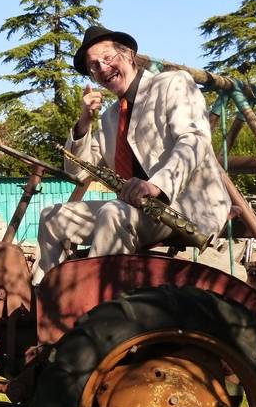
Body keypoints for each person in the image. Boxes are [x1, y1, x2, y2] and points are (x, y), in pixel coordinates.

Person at [35, 26, 231, 282]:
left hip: (183, 207)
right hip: (134, 210)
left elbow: (194, 140)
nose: (101, 69)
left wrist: (156, 186)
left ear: (128, 54)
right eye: (93, 66)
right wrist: (84, 122)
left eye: (107, 58)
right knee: (52, 216)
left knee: (113, 213)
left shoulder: (173, 83)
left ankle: (92, 309)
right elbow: (77, 171)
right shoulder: (108, 119)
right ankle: (45, 301)